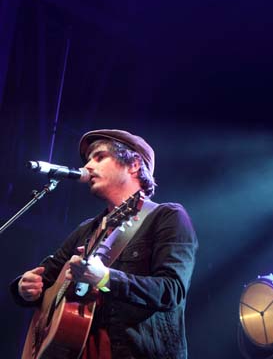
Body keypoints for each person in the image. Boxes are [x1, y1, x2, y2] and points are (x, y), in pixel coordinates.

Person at [11, 129, 198, 359]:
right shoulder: (87, 229)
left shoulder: (166, 217)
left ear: (134, 165)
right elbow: (45, 278)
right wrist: (24, 288)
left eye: (99, 157)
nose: (88, 166)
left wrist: (106, 279)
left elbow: (172, 292)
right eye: (88, 159)